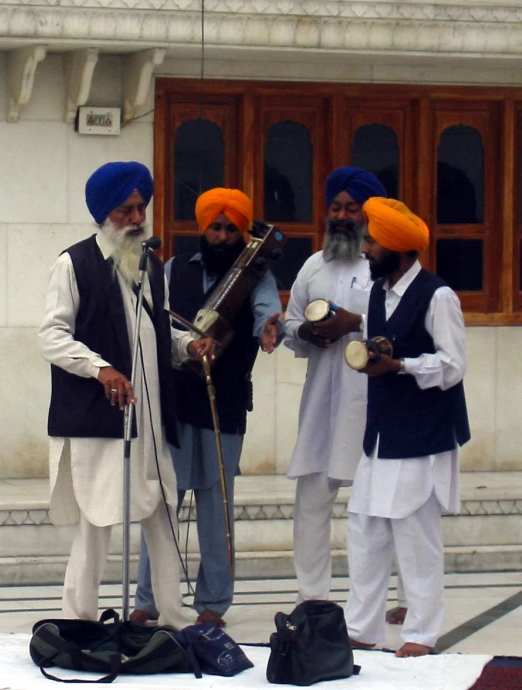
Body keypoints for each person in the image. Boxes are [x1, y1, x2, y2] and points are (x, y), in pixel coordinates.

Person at [38, 161, 212, 628]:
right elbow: (52, 336)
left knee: (163, 516)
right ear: (104, 214)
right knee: (97, 523)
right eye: (125, 209)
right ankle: (78, 622)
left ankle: (174, 617)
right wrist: (101, 369)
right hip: (101, 418)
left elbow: (158, 330)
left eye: (141, 208)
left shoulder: (151, 266)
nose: (137, 217)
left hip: (150, 421)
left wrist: (187, 346)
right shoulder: (73, 263)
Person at [131, 187, 284, 628]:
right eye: (214, 227)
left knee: (215, 503)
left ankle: (213, 602)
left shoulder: (258, 278)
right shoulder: (173, 268)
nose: (221, 236)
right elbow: (155, 321)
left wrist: (271, 329)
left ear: (242, 233)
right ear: (203, 229)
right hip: (175, 403)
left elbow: (266, 315)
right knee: (162, 504)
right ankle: (150, 598)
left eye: (230, 229)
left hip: (225, 403)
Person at [344, 197, 470, 657]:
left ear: (396, 247)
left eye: (373, 242)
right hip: (380, 433)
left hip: (421, 437)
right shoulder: (377, 292)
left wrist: (400, 366)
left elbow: (454, 365)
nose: (366, 249)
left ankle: (421, 634)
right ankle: (362, 628)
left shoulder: (438, 296)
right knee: (365, 530)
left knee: (416, 538)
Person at [284, 166, 387, 603]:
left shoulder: (384, 264)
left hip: (373, 402)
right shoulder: (313, 266)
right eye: (335, 207)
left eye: (351, 208)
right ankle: (313, 598)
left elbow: (406, 322)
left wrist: (356, 322)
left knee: (379, 507)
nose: (342, 215)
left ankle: (384, 600)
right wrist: (307, 333)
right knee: (311, 503)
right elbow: (291, 322)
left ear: (368, 215)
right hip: (322, 400)